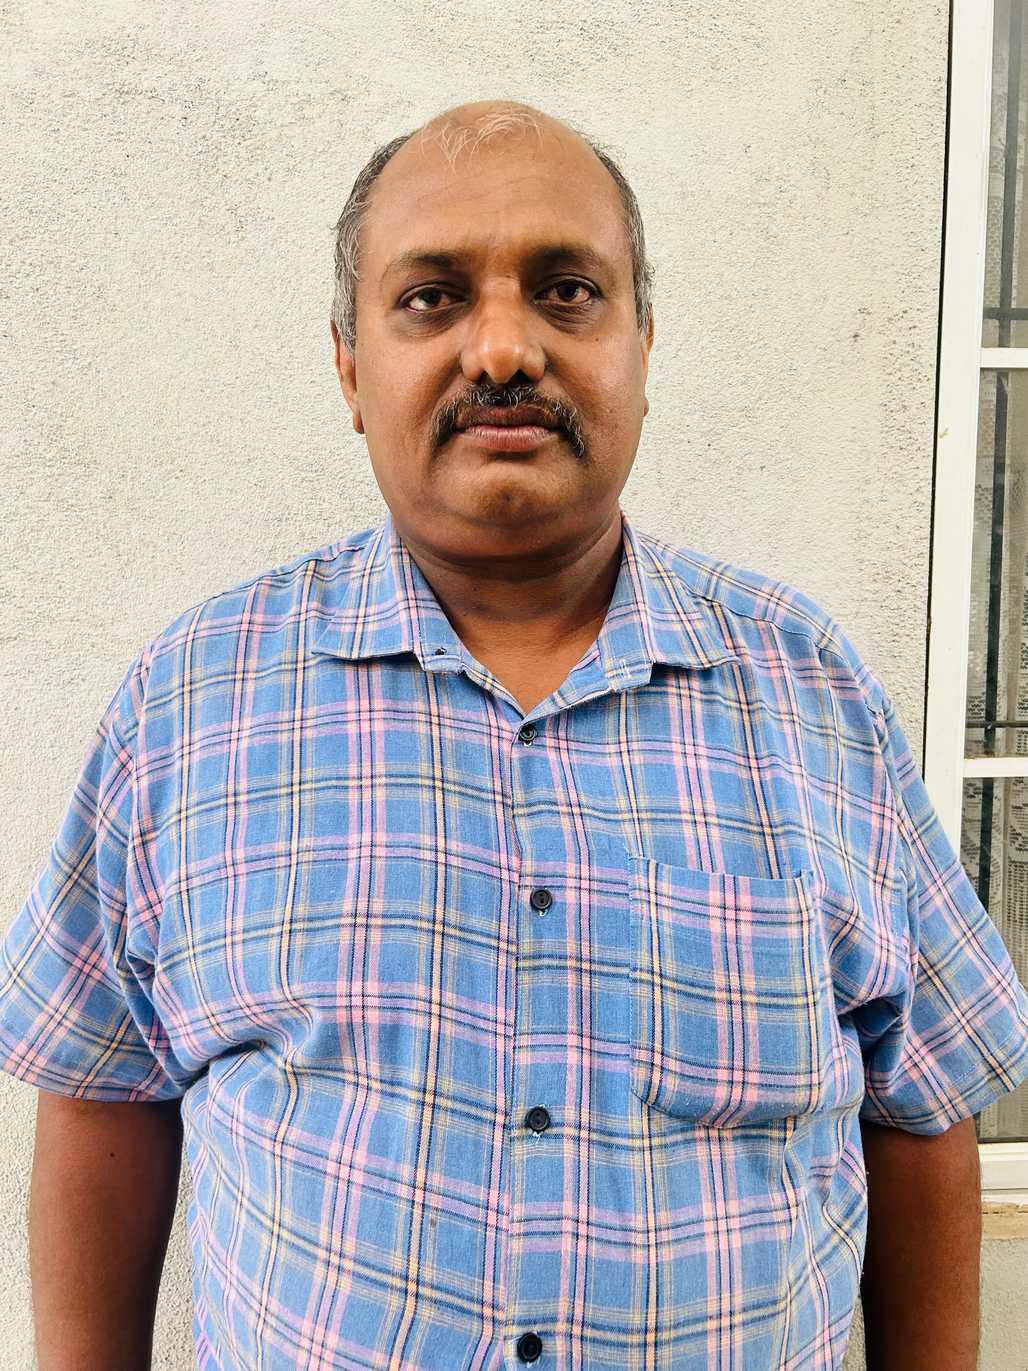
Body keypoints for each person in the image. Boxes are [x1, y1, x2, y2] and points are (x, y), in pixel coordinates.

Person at [1, 98, 1026, 1371]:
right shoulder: (191, 701)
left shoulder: (809, 692)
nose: (501, 348)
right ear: (348, 367)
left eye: (565, 293)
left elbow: (919, 1105)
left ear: (640, 345)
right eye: (431, 298)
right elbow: (102, 1084)